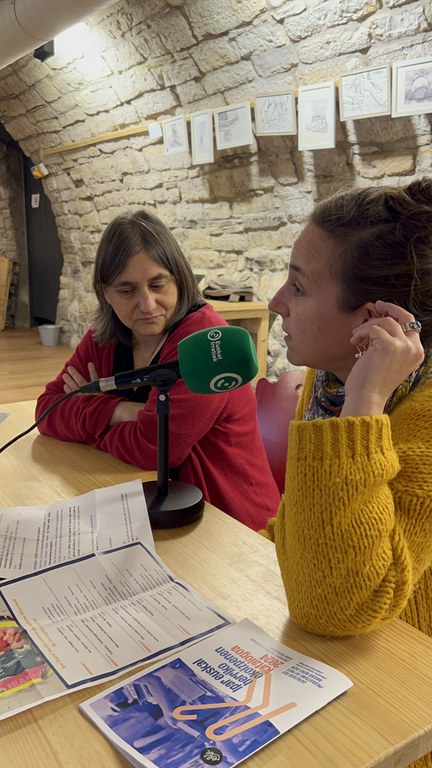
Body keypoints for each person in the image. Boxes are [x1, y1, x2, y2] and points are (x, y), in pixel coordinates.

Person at [35, 210, 280, 531]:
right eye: (126, 290)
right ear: (105, 293)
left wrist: (87, 407)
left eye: (158, 284)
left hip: (232, 523)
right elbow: (47, 410)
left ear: (179, 278)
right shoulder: (105, 334)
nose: (147, 304)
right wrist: (120, 410)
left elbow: (154, 449)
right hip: (147, 508)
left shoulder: (205, 342)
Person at [264, 178, 432, 641]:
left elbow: (339, 608)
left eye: (298, 286)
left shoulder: (410, 412)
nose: (276, 302)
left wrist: (362, 412)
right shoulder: (335, 376)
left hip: (404, 672)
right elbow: (308, 513)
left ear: (374, 323)